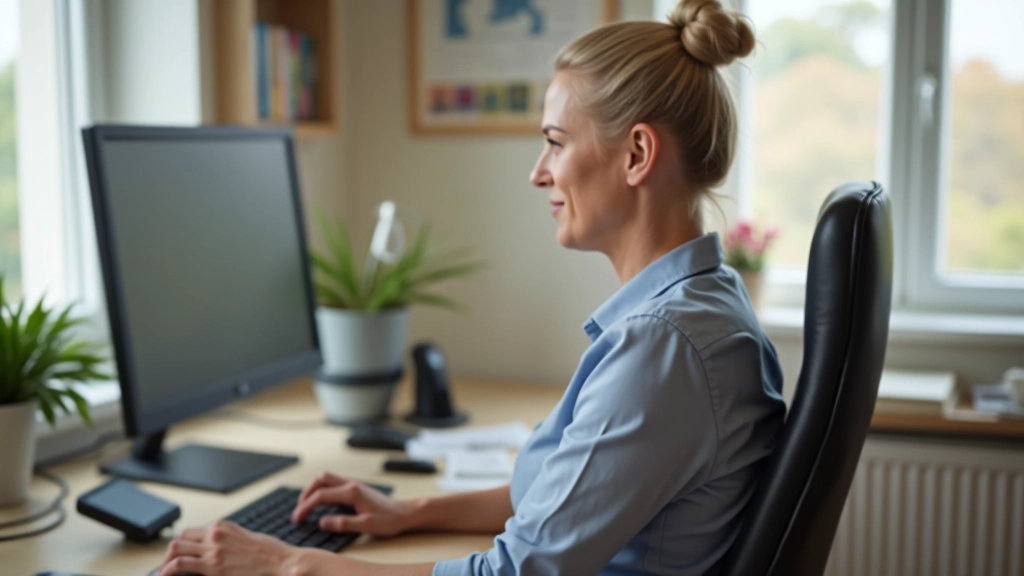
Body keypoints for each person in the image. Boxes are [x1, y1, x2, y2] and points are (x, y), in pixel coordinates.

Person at [157, 0, 785, 574]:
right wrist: (411, 512)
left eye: (555, 142)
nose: (538, 173)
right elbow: (568, 497)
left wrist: (284, 566)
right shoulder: (704, 305)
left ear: (637, 154)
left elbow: (515, 572)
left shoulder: (663, 348)